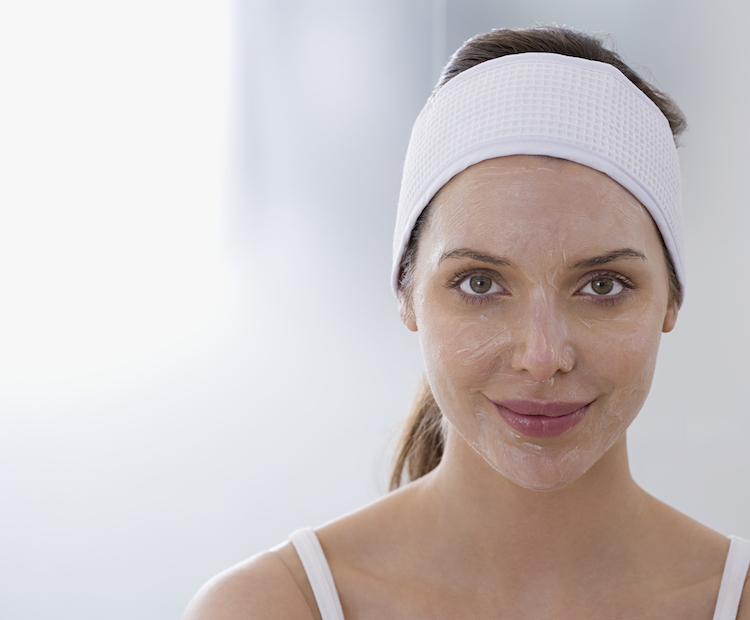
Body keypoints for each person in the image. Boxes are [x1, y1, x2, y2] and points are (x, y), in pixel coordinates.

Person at [183, 26, 750, 619]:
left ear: (670, 300)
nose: (542, 355)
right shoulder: (271, 607)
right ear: (406, 293)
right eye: (480, 283)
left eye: (602, 285)